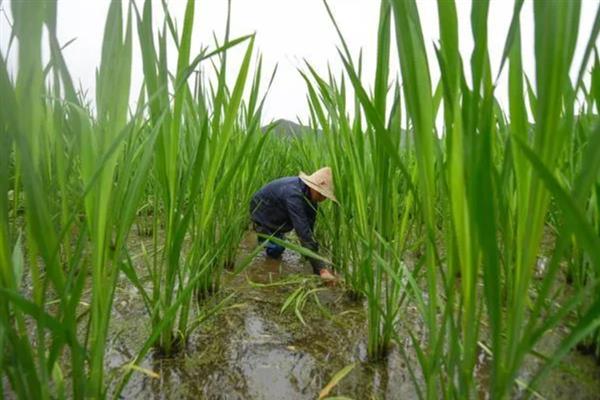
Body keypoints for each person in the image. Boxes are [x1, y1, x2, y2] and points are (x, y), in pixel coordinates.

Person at [249, 167, 337, 280]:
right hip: (261, 212)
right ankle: (269, 271)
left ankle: (271, 239)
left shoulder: (311, 200)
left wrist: (313, 259)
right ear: (313, 187)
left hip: (276, 211)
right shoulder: (294, 195)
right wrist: (322, 269)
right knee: (277, 248)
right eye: (321, 194)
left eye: (325, 196)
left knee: (283, 238)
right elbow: (303, 232)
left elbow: (309, 230)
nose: (323, 198)